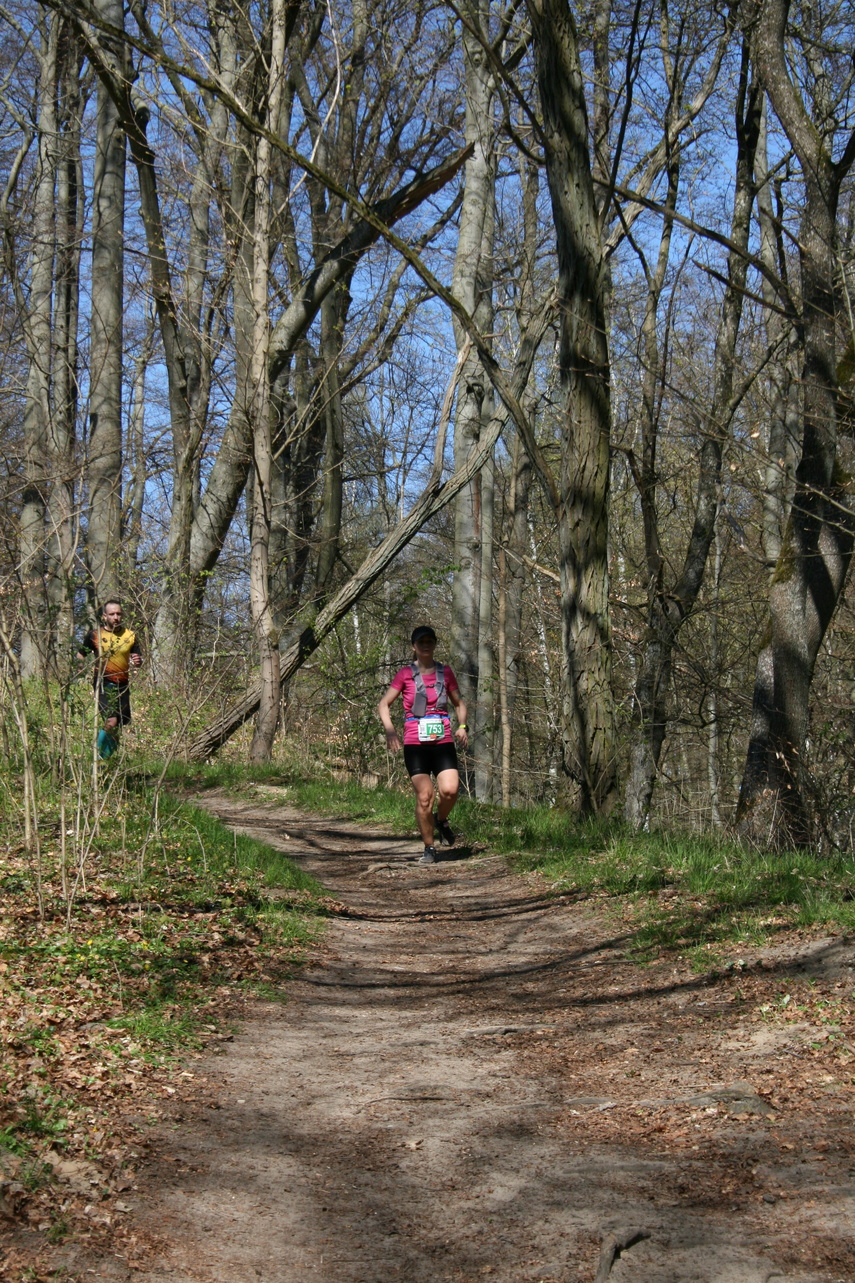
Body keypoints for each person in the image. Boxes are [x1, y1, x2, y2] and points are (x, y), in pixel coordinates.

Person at [378, 625, 468, 864]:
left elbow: (459, 703)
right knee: (425, 796)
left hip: (443, 741)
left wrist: (462, 726)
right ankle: (429, 848)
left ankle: (440, 819)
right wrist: (390, 732)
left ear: (435, 644)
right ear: (413, 647)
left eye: (430, 641)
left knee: (449, 791)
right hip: (415, 744)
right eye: (421, 642)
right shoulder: (405, 674)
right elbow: (384, 704)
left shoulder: (445, 672)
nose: (425, 645)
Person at [77, 601, 142, 758]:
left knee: (119, 724)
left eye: (119, 614)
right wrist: (79, 670)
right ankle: (96, 758)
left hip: (123, 684)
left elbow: (138, 659)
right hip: (103, 682)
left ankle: (108, 760)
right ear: (104, 616)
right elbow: (80, 655)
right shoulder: (95, 636)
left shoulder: (130, 636)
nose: (116, 617)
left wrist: (138, 661)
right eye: (112, 614)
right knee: (111, 720)